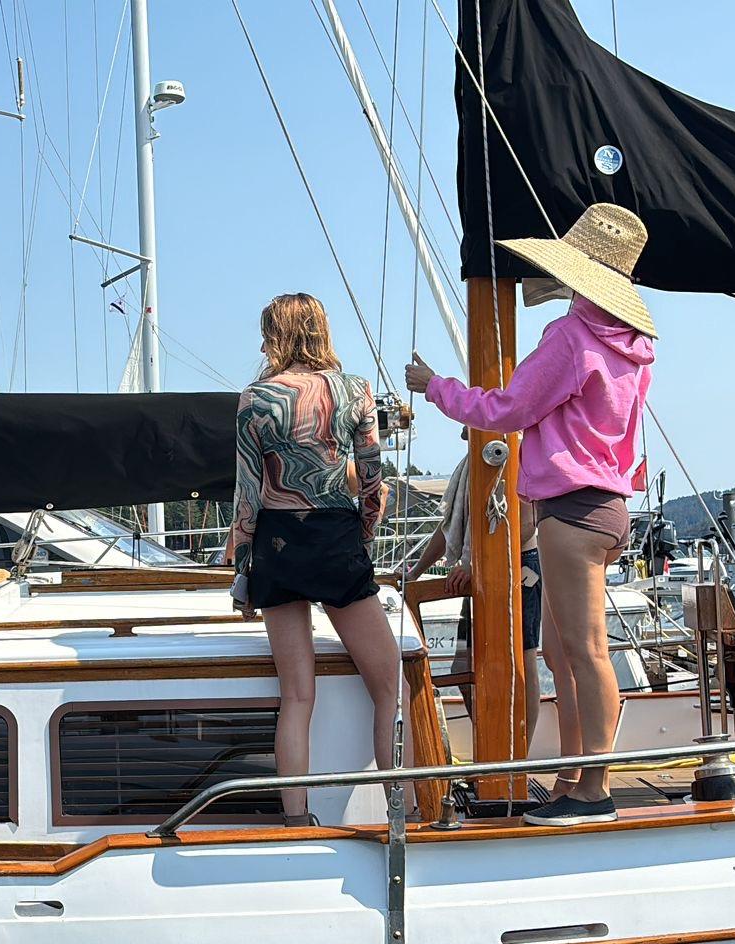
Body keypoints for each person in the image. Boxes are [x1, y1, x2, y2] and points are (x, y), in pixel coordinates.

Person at [406, 203, 656, 826]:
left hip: (571, 512)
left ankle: (592, 791)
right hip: (606, 507)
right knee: (562, 653)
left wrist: (434, 386)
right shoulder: (632, 348)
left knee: (585, 650)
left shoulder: (572, 338)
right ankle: (575, 774)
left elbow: (506, 410)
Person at [229, 293, 403, 825]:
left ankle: (296, 817)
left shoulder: (255, 399)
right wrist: (366, 532)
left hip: (277, 543)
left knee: (297, 696)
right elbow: (371, 477)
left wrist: (241, 571)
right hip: (334, 537)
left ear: (275, 336)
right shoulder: (354, 391)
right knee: (390, 682)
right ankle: (403, 809)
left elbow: (247, 494)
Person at [404, 440, 547, 748]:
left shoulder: (512, 453)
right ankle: (494, 747)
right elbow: (451, 528)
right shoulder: (479, 459)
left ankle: (518, 753)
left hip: (520, 567)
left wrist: (472, 563)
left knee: (522, 658)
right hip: (482, 569)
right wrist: (415, 571)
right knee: (463, 667)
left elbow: (525, 522)